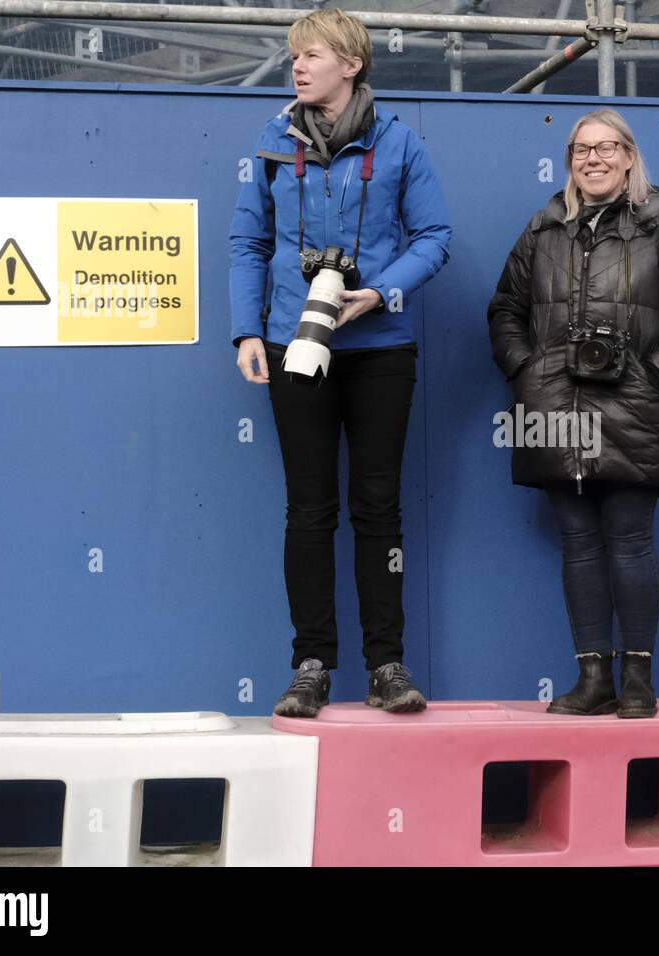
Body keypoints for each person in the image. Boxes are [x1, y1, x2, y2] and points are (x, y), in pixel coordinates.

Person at [229, 9, 452, 716]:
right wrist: (246, 333)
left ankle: (387, 664)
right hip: (295, 349)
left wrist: (382, 293)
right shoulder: (272, 142)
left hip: (380, 349)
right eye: (294, 56)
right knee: (308, 511)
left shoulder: (400, 142)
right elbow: (247, 245)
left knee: (378, 510)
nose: (297, 67)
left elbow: (435, 236)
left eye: (312, 55)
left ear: (351, 64)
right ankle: (311, 665)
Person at [488, 109, 659, 718]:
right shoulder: (542, 230)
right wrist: (526, 370)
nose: (592, 159)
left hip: (633, 410)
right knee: (579, 546)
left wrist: (650, 373)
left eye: (605, 148)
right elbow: (505, 310)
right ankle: (592, 680)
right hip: (553, 411)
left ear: (628, 156)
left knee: (630, 543)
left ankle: (638, 681)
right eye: (580, 150)